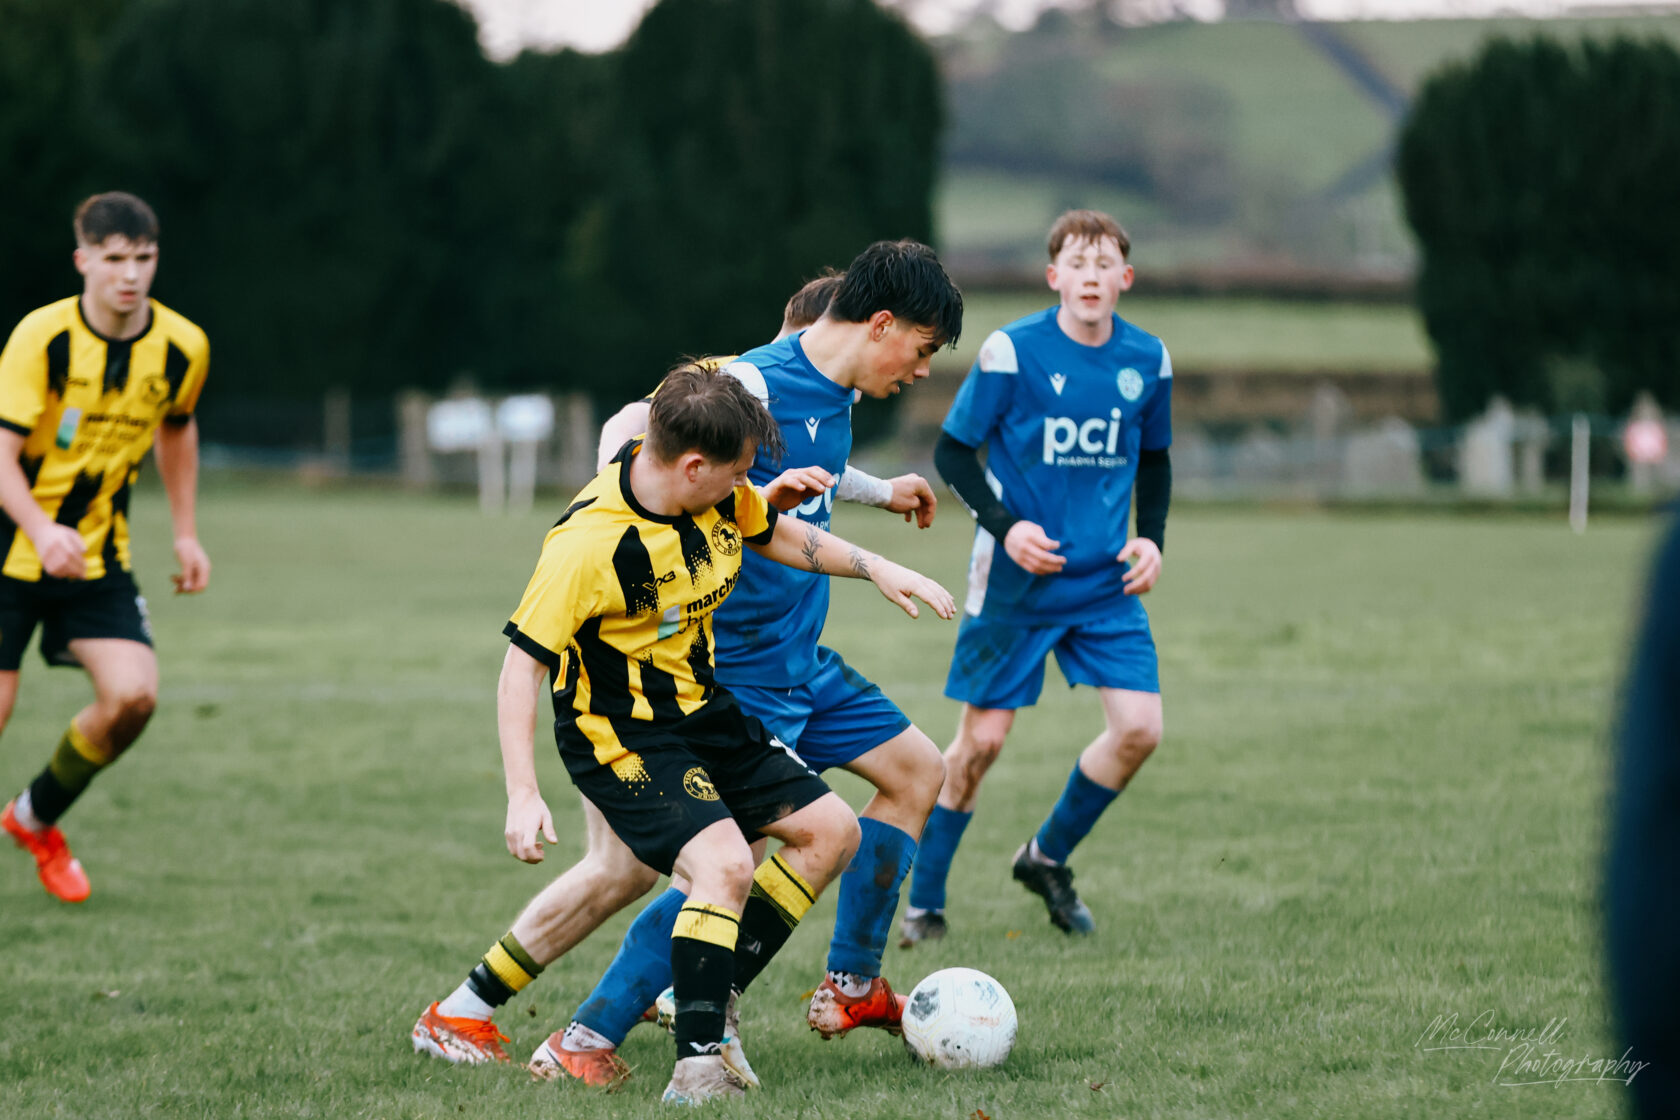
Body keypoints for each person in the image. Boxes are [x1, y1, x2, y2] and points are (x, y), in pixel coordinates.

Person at [410, 362, 955, 1104]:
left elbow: (780, 534)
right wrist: (521, 792)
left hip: (704, 711)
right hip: (622, 737)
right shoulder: (589, 546)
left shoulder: (714, 494)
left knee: (831, 831)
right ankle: (698, 1070)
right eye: (735, 475)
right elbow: (519, 670)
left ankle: (698, 987)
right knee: (724, 864)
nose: (745, 489)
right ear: (692, 464)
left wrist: (879, 569)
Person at [537, 242, 963, 1087]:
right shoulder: (749, 381)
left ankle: (847, 984)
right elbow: (637, 424)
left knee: (918, 771)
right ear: (881, 325)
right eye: (920, 350)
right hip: (733, 673)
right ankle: (591, 1034)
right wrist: (623, 502)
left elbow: (809, 474)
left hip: (803, 657)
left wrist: (882, 493)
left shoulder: (839, 392)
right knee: (724, 868)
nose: (920, 371)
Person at [903, 209, 1172, 943]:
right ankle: (924, 901)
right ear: (1054, 277)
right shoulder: (1009, 353)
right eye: (1076, 264)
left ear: (1125, 278)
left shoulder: (1149, 360)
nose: (1091, 276)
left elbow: (1154, 459)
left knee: (1141, 729)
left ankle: (1045, 857)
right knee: (982, 745)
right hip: (1017, 581)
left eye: (1104, 263)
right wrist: (1008, 526)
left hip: (1103, 584)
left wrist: (1151, 540)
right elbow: (956, 454)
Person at [0, 192, 211, 903]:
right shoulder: (42, 337)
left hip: (95, 556)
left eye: (143, 259)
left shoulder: (182, 347)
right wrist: (37, 527)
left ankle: (34, 818)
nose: (130, 275)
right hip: (10, 547)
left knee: (134, 697)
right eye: (114, 259)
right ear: (83, 260)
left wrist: (184, 531)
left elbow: (177, 429)